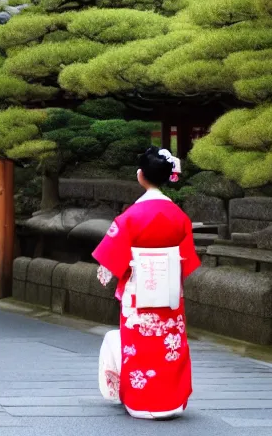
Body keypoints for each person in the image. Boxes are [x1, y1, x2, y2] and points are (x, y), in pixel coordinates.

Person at [93, 147, 201, 419]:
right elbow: (186, 259)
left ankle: (141, 400)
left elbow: (111, 257)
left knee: (139, 345)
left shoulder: (130, 216)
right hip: (169, 292)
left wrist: (111, 272)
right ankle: (172, 401)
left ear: (141, 176)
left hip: (138, 290)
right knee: (169, 344)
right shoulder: (179, 216)